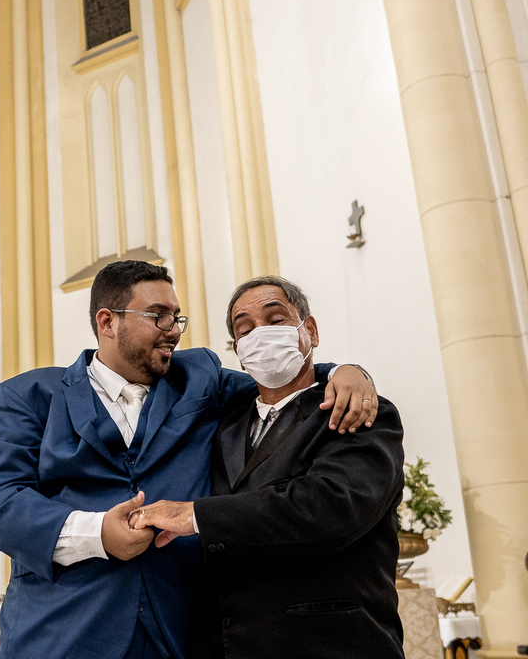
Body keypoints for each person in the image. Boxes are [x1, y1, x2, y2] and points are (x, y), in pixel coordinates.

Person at [0, 260, 378, 659]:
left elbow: (281, 382)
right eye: (158, 316)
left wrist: (344, 370)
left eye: (176, 318)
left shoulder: (199, 378)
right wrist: (98, 534)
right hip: (61, 632)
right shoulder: (27, 396)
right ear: (107, 322)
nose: (173, 332)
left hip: (179, 633)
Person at [131, 276, 404, 658]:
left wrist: (195, 516)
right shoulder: (224, 422)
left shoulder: (355, 411)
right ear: (240, 351)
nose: (261, 334)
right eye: (245, 329)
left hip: (327, 643)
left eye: (275, 321)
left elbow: (330, 506)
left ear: (309, 329)